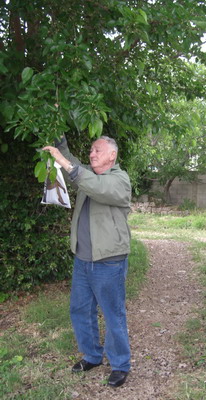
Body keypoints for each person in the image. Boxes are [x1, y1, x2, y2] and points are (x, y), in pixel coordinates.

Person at [43, 135, 131, 388]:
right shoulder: (89, 175)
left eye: (97, 151)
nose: (92, 154)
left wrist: (67, 164)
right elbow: (76, 167)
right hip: (82, 259)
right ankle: (92, 356)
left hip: (108, 262)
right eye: (91, 150)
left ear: (112, 155)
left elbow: (95, 186)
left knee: (113, 315)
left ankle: (120, 364)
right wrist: (62, 147)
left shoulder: (119, 180)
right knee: (80, 310)